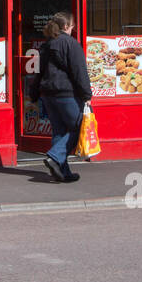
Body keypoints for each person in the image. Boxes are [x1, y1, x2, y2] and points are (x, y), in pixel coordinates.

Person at [36, 10, 91, 182]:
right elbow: (79, 71)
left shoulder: (47, 45)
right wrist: (86, 94)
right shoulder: (71, 44)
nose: (73, 29)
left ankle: (62, 172)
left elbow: (39, 72)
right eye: (73, 26)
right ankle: (55, 156)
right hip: (66, 93)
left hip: (48, 94)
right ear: (66, 26)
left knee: (59, 131)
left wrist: (34, 92)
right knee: (78, 127)